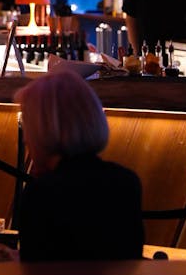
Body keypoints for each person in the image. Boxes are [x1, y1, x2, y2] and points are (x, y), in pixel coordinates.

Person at [17, 71, 144, 261]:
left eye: (27, 125)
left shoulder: (41, 194)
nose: (26, 138)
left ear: (42, 129)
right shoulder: (126, 182)